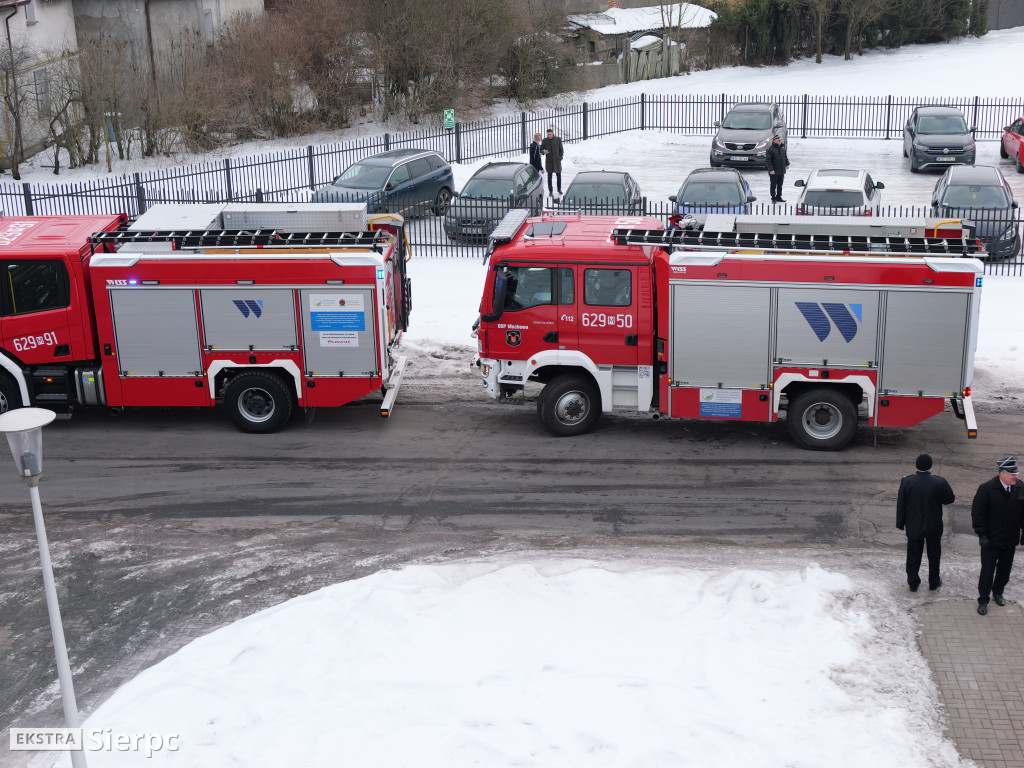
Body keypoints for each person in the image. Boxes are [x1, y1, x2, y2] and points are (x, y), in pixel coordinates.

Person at [971, 456, 1024, 615]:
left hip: (1009, 539)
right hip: (991, 540)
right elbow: (978, 513)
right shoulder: (986, 489)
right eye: (1012, 474)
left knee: (1004, 569)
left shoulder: (1020, 487)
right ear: (1002, 474)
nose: (1016, 476)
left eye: (1016, 473)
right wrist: (982, 535)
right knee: (987, 570)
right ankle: (983, 599)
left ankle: (998, 592)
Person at [897, 453, 955, 592]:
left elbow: (901, 504)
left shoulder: (907, 482)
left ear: (917, 466)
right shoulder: (939, 482)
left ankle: (913, 582)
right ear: (930, 467)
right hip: (933, 526)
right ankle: (934, 581)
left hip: (914, 525)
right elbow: (949, 499)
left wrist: (901, 523)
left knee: (913, 555)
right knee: (934, 554)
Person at [541, 126, 564, 197]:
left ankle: (559, 189)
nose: (549, 136)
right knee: (549, 177)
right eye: (548, 134)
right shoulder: (545, 141)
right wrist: (543, 151)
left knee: (559, 176)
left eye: (550, 134)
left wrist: (560, 157)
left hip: (557, 161)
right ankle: (550, 191)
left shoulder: (558, 139)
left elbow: (561, 150)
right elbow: (541, 149)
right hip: (549, 162)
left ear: (553, 133)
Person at [767, 134, 789, 203]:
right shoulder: (770, 150)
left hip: (781, 170)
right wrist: (771, 169)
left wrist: (787, 163)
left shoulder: (782, 149)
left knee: (780, 184)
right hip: (774, 171)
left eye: (780, 140)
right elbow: (768, 160)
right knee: (773, 184)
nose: (780, 141)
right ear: (774, 141)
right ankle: (773, 197)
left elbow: (785, 157)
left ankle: (779, 196)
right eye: (778, 140)